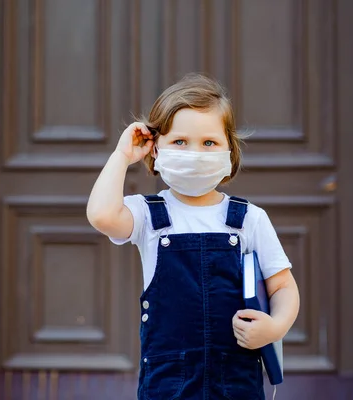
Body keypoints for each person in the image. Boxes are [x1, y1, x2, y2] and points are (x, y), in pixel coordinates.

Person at [86, 73, 300, 399]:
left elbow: (283, 286)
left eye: (209, 143)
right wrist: (122, 156)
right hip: (168, 381)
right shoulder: (147, 215)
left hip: (236, 378)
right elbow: (102, 215)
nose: (195, 153)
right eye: (180, 142)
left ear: (230, 152)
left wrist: (276, 326)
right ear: (155, 149)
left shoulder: (248, 220)